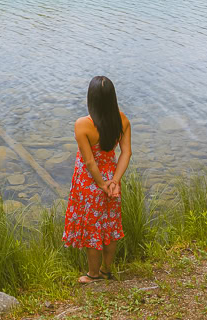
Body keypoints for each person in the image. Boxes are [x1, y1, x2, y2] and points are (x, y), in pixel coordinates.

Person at [62, 75, 132, 283]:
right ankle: (106, 270)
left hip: (89, 183)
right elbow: (126, 153)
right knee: (110, 227)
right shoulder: (123, 120)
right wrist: (114, 181)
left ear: (90, 99)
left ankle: (93, 275)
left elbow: (90, 161)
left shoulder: (82, 125)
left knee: (92, 228)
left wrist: (101, 184)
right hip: (112, 181)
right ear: (113, 99)